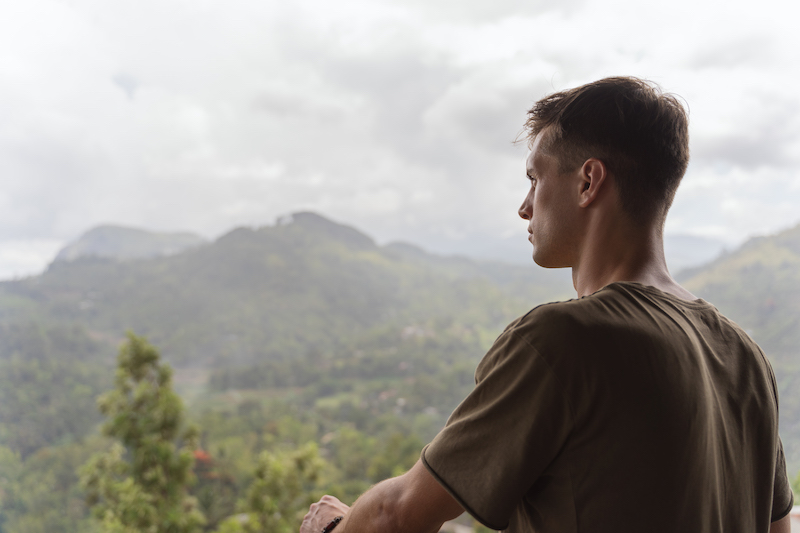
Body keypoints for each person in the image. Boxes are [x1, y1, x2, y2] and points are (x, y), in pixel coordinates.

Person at [299, 77, 794, 533]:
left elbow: (398, 515)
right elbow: (779, 525)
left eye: (535, 178)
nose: (524, 205)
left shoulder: (563, 340)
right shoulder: (746, 356)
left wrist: (331, 527)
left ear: (588, 181)